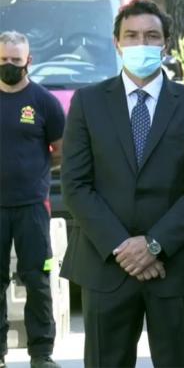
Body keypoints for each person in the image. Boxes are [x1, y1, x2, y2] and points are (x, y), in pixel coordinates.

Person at [60, 0, 184, 367]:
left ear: (165, 43)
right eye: (131, 36)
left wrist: (154, 245)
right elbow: (76, 185)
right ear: (116, 42)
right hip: (107, 267)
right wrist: (123, 247)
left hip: (176, 266)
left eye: (151, 36)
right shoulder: (87, 103)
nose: (140, 43)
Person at [0, 31, 63, 368]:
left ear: (29, 61)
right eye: (3, 60)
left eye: (15, 60)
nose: (9, 65)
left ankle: (41, 354)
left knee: (37, 280)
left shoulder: (43, 101)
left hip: (32, 207)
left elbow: (61, 150)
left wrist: (33, 171)